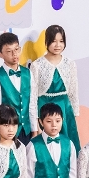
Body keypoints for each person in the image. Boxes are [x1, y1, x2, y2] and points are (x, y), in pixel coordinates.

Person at [29, 24, 81, 152]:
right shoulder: (37, 65)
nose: (58, 45)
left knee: (67, 149)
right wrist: (36, 122)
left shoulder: (70, 63)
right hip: (44, 109)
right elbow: (33, 96)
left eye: (61, 41)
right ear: (46, 42)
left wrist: (74, 115)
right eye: (53, 41)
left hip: (65, 110)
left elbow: (73, 91)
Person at [0, 32, 36, 138]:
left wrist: (34, 130)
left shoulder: (28, 73)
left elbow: (32, 105)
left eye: (17, 49)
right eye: (9, 51)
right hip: (7, 134)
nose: (14, 54)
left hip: (27, 131)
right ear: (0, 54)